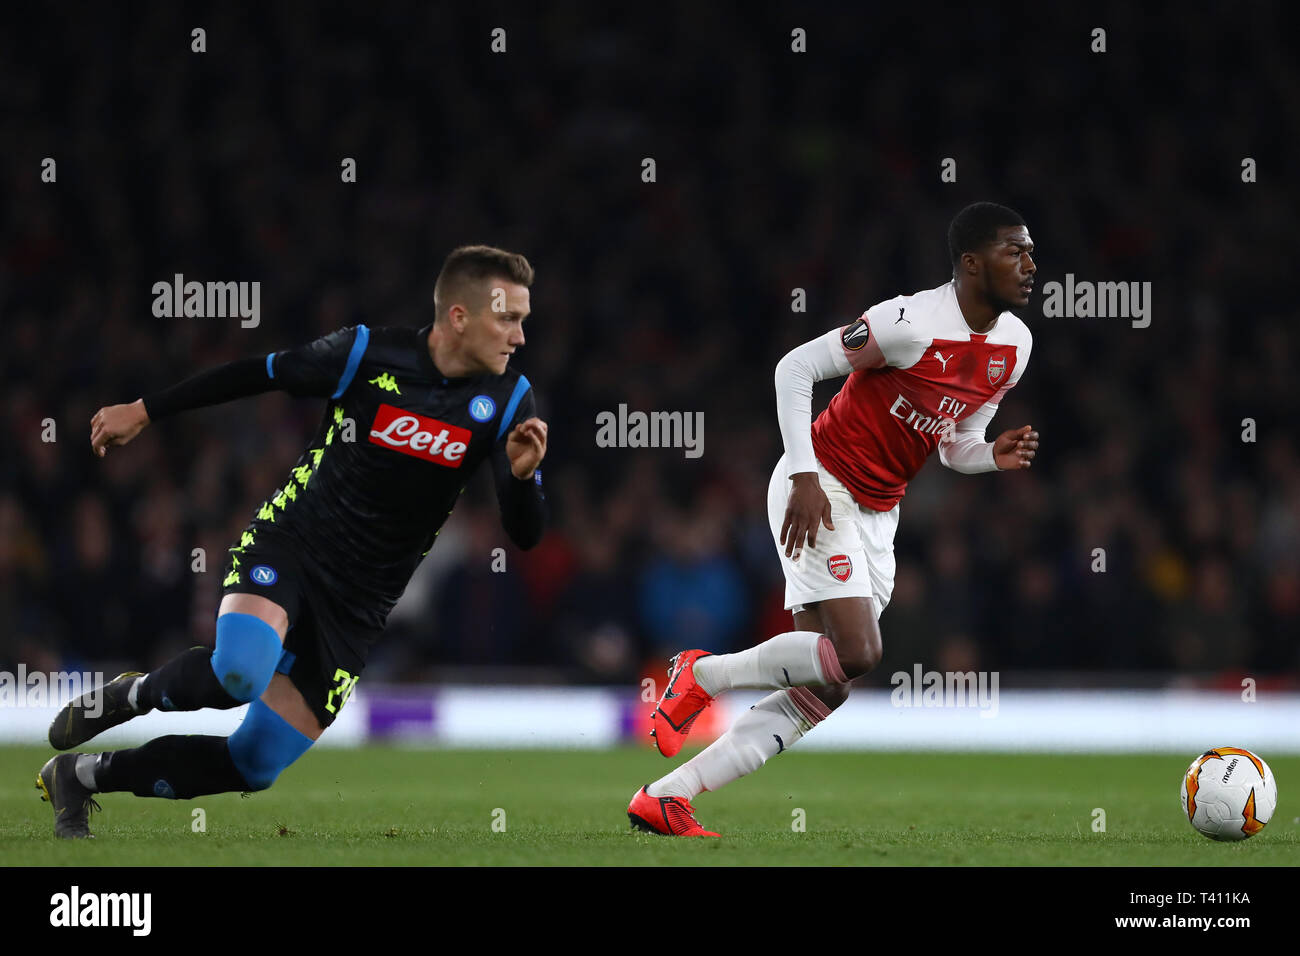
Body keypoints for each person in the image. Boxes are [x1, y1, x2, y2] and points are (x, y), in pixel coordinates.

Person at [38, 245, 548, 838]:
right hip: (294, 547)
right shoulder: (365, 353)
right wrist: (146, 411)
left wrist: (519, 480)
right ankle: (134, 697)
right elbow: (260, 373)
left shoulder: (510, 399)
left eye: (523, 320)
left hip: (359, 605)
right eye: (508, 317)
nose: (520, 336)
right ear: (459, 316)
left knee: (255, 764)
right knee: (240, 674)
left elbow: (525, 534)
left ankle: (80, 776)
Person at [629, 203, 1039, 836]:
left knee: (831, 683)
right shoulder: (908, 321)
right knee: (860, 651)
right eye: (1016, 252)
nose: (1030, 266)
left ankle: (668, 795)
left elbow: (955, 444)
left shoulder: (1014, 347)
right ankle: (700, 673)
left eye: (1030, 252)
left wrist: (991, 456)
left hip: (879, 512)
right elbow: (794, 368)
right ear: (971, 262)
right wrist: (802, 475)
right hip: (821, 486)